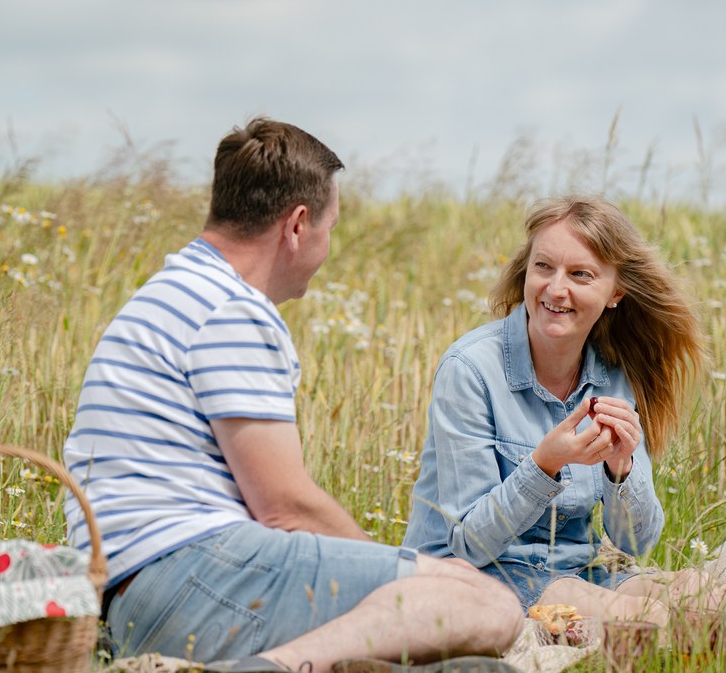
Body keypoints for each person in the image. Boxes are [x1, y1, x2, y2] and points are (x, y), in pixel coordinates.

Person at [63, 117, 523, 672]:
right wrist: (392, 567)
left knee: (441, 626)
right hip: (189, 576)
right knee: (486, 603)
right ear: (298, 225)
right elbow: (284, 507)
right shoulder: (232, 310)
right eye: (331, 227)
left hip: (131, 590)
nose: (328, 246)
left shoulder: (173, 290)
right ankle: (278, 668)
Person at [402, 195, 726, 667]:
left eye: (581, 274)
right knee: (597, 605)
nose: (556, 288)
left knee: (680, 586)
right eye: (544, 267)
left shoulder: (611, 376)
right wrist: (544, 465)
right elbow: (468, 543)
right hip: (471, 582)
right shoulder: (471, 369)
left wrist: (621, 472)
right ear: (527, 270)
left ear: (615, 292)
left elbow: (632, 542)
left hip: (577, 571)